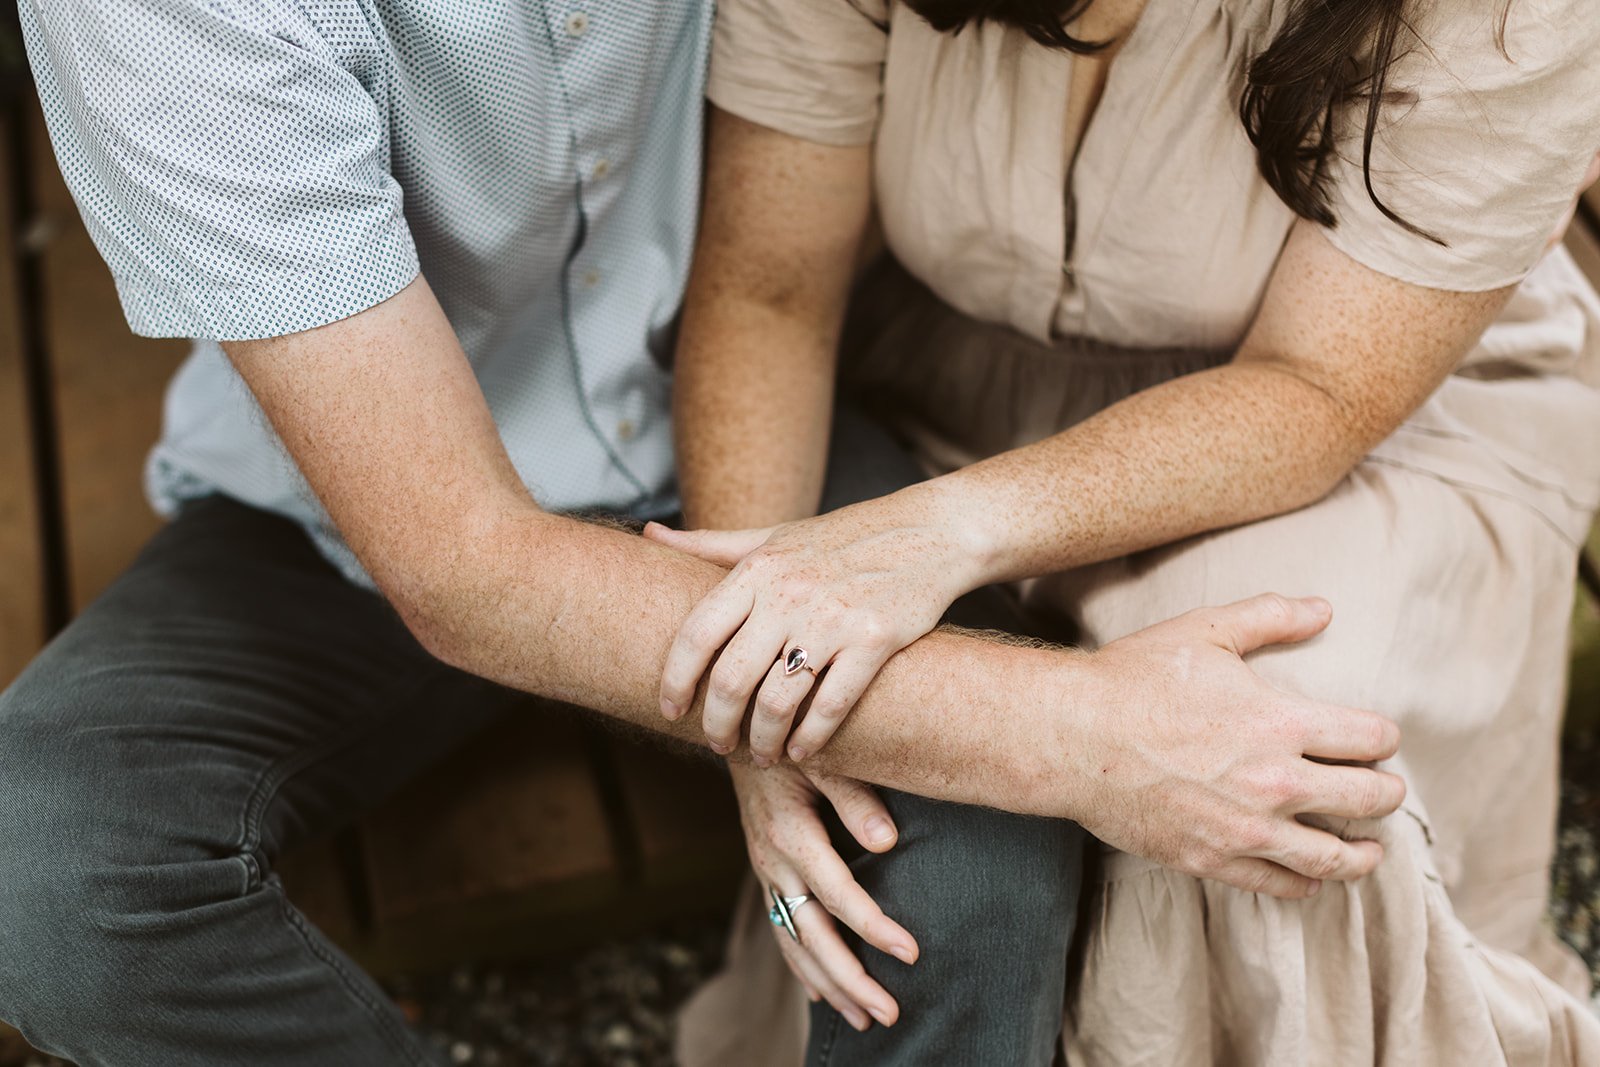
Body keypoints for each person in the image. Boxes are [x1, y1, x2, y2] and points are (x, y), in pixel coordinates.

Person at [0, 2, 1407, 1065]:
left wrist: (797, 667)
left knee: (965, 880)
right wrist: (1084, 730)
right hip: (363, 508)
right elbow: (465, 568)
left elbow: (775, 286)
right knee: (41, 861)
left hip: (747, 424)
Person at [667, 0, 1600, 1063]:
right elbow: (770, 290)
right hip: (943, 371)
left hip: (1343, 416)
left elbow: (1322, 387)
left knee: (1274, 752)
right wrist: (757, 697)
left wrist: (944, 529)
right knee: (873, 749)